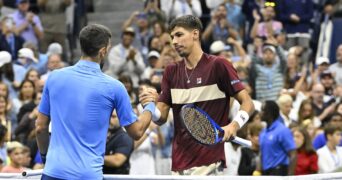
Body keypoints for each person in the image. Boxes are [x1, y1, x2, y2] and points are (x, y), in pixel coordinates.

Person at [35, 24, 156, 179]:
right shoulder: (115, 87)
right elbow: (137, 132)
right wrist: (150, 105)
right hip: (88, 175)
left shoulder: (54, 77)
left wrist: (46, 158)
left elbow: (40, 127)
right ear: (103, 51)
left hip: (53, 172)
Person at [149, 15, 254, 175]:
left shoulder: (219, 65)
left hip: (208, 163)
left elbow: (247, 103)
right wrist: (149, 105)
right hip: (178, 165)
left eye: (179, 35)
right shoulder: (170, 71)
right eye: (172, 37)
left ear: (195, 34)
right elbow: (161, 118)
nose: (174, 42)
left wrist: (234, 125)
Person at [259, 101, 297, 175]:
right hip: (265, 173)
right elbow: (261, 154)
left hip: (279, 172)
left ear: (269, 113)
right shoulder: (263, 132)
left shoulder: (283, 130)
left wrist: (290, 177)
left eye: (262, 110)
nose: (260, 113)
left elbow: (293, 154)